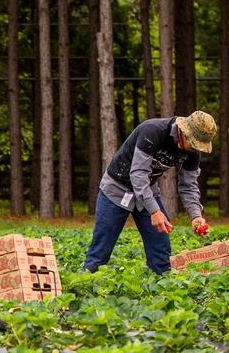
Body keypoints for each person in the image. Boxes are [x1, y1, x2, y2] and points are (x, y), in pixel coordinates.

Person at [83, 110, 217, 275]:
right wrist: (154, 211)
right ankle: (83, 286)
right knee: (100, 250)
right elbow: (138, 174)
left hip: (147, 192)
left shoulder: (193, 153)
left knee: (161, 250)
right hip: (116, 189)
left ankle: (162, 292)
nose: (196, 149)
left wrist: (196, 216)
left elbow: (188, 185)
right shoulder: (153, 131)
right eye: (194, 143)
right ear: (184, 132)